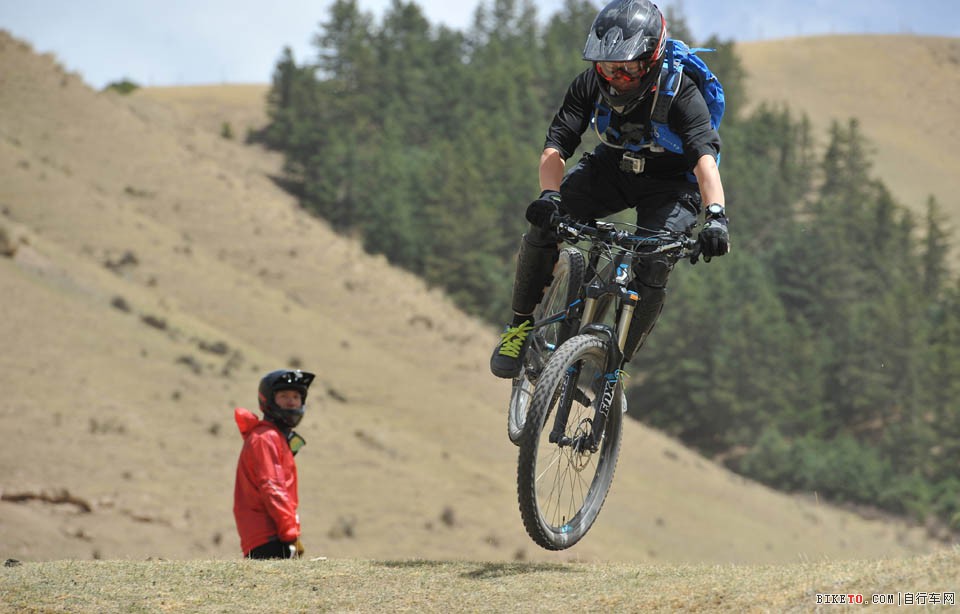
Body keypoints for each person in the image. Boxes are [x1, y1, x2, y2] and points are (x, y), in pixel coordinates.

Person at [490, 0, 730, 379]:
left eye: (628, 68)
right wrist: (549, 196)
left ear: (650, 60)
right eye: (608, 67)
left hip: (672, 186)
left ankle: (616, 364)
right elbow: (557, 145)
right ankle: (518, 326)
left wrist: (716, 216)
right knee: (544, 225)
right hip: (613, 167)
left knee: (654, 264)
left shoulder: (681, 93)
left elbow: (705, 158)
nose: (616, 78)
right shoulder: (589, 83)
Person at [234, 369, 315, 559]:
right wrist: (290, 534)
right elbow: (273, 487)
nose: (291, 401)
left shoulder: (273, 437)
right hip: (269, 536)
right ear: (268, 400)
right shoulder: (266, 438)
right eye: (284, 395)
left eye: (296, 396)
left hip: (269, 534)